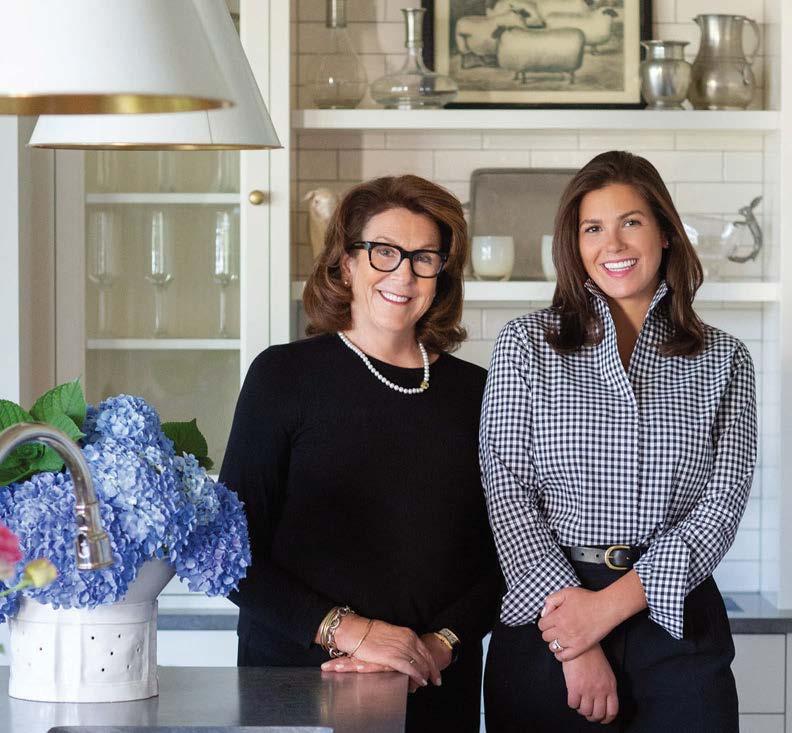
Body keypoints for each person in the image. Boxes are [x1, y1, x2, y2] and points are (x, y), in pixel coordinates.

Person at [480, 150, 757, 732]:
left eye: (631, 221)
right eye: (593, 228)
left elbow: (721, 507)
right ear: (574, 244)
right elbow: (507, 493)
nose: (613, 244)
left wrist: (607, 608)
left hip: (677, 625)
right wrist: (575, 643)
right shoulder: (525, 344)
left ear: (665, 233)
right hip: (548, 618)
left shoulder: (724, 359)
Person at [220, 174, 502, 733]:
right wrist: (355, 634)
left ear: (442, 275)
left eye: (424, 258)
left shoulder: (480, 393)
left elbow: (504, 556)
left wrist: (435, 646)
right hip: (300, 680)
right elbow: (229, 554)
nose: (404, 273)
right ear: (345, 263)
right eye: (383, 251)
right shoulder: (283, 377)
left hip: (434, 685)